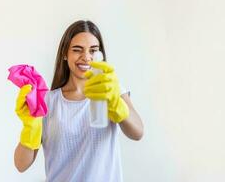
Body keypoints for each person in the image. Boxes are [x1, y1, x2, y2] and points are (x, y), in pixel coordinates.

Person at [13, 20, 144, 182]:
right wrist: (30, 126)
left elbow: (138, 132)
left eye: (93, 51)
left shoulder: (111, 91)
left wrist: (117, 104)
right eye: (77, 50)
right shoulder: (48, 101)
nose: (86, 57)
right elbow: (21, 164)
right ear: (64, 54)